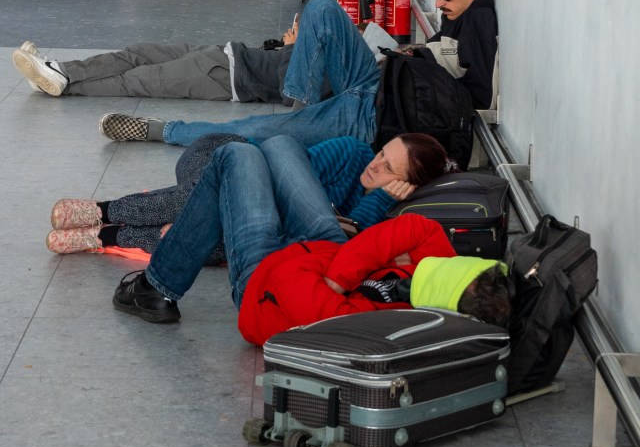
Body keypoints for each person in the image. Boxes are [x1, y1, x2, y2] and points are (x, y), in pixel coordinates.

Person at [109, 136, 510, 344]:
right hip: (326, 249)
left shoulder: (392, 324)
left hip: (265, 279)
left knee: (236, 156)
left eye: (389, 168)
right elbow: (406, 231)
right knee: (280, 146)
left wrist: (341, 270)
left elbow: (299, 297)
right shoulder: (436, 256)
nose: (376, 164)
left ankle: (157, 286)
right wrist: (340, 272)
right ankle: (150, 272)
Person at [97, 0, 499, 149]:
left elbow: (474, 96)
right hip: (375, 80)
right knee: (322, 7)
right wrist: (412, 54)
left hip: (373, 116)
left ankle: (162, 131)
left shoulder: (479, 20)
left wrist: (423, 58)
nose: (439, 3)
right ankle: (301, 102)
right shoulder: (458, 15)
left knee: (255, 130)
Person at [46, 131, 452, 255]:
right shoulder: (350, 153)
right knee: (200, 206)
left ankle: (105, 237)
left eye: (388, 170)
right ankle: (103, 209)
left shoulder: (377, 208)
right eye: (382, 153)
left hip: (239, 217)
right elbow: (283, 180)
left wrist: (382, 199)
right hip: (224, 156)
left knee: (217, 246)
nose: (374, 165)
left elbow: (348, 247)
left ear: (405, 186)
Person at [11, 22, 299, 103]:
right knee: (138, 52)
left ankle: (60, 84)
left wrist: (291, 48)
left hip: (225, 76)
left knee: (138, 79)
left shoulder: (337, 83)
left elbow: (293, 94)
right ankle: (61, 71)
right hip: (224, 53)